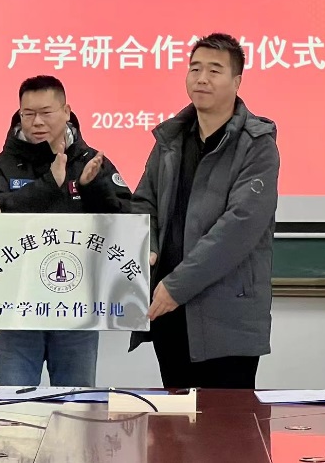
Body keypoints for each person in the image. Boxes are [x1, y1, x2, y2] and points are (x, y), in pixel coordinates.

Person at [128, 33, 279, 389]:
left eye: (214, 70)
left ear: (237, 81)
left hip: (226, 315)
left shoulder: (257, 145)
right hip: (169, 311)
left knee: (227, 421)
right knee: (176, 419)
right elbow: (144, 202)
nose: (201, 78)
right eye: (195, 69)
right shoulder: (171, 140)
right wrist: (148, 246)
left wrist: (176, 287)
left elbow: (238, 228)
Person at [0, 75, 131, 387]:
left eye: (46, 112)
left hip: (78, 309)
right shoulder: (0, 166)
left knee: (76, 405)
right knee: (11, 406)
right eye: (28, 114)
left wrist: (94, 187)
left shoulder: (91, 162)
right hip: (18, 309)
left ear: (66, 111)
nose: (37, 122)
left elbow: (124, 221)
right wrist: (49, 184)